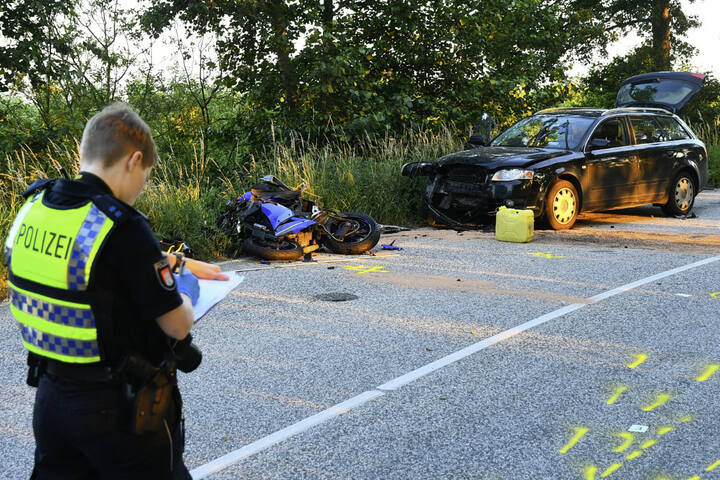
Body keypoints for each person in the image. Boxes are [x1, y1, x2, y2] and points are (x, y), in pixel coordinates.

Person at [3, 103, 218, 479]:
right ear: (134, 161)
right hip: (119, 410)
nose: (141, 187)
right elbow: (177, 326)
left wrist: (172, 261)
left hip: (51, 400)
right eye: (146, 177)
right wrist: (184, 285)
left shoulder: (35, 208)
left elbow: (88, 274)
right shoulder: (123, 225)